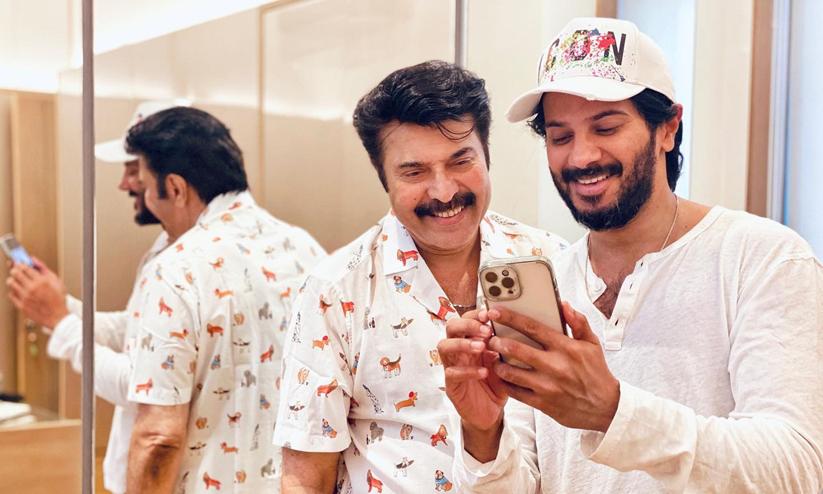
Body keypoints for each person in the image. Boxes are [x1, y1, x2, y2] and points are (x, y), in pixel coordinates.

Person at [440, 17, 823, 493]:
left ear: (668, 128)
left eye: (606, 127)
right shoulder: (550, 285)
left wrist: (612, 410)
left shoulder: (763, 259)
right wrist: (483, 433)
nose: (581, 157)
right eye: (560, 136)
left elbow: (797, 471)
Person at [272, 60, 567, 493]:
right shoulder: (336, 290)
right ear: (384, 179)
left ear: (487, 156)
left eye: (461, 160)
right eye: (414, 172)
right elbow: (305, 475)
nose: (444, 191)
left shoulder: (551, 261)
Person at [122, 107, 325, 493]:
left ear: (176, 188)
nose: (144, 196)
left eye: (146, 185)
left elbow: (159, 437)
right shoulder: (307, 250)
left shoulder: (177, 268)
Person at [4, 100, 183, 494]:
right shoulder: (164, 248)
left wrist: (61, 323)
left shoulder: (188, 264)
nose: (124, 184)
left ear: (172, 178)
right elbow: (131, 331)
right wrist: (60, 305)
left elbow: (139, 383)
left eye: (134, 170)